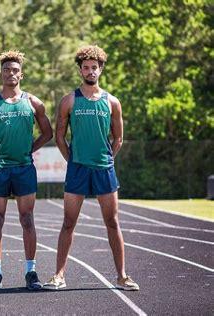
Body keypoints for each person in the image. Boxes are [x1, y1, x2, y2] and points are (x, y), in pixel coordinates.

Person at [43, 45, 139, 291]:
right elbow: (59, 136)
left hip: (104, 169)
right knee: (68, 222)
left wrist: (107, 158)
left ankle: (122, 276)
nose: (90, 71)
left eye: (94, 67)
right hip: (78, 169)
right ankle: (59, 275)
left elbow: (118, 139)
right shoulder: (69, 100)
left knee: (112, 222)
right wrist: (72, 160)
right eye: (86, 67)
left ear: (100, 69)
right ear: (80, 70)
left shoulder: (112, 102)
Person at [0, 50, 53, 290]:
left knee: (27, 219)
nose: (11, 73)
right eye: (7, 70)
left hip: (24, 168)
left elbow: (48, 132)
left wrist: (31, 148)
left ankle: (31, 271)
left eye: (15, 70)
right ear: (1, 74)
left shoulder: (33, 102)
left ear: (22, 74)